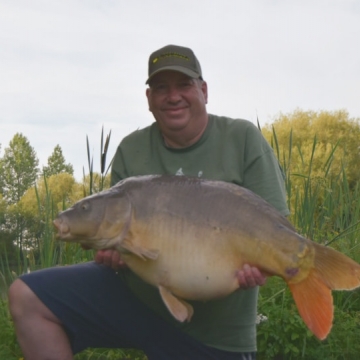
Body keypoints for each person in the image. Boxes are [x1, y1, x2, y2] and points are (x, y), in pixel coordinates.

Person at [8, 44, 289, 360]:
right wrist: (114, 251)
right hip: (138, 299)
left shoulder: (242, 139)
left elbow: (276, 224)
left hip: (218, 329)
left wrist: (263, 264)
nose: (173, 96)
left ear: (204, 90)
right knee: (28, 296)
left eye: (184, 85)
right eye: (161, 88)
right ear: (149, 99)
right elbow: (116, 242)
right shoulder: (132, 149)